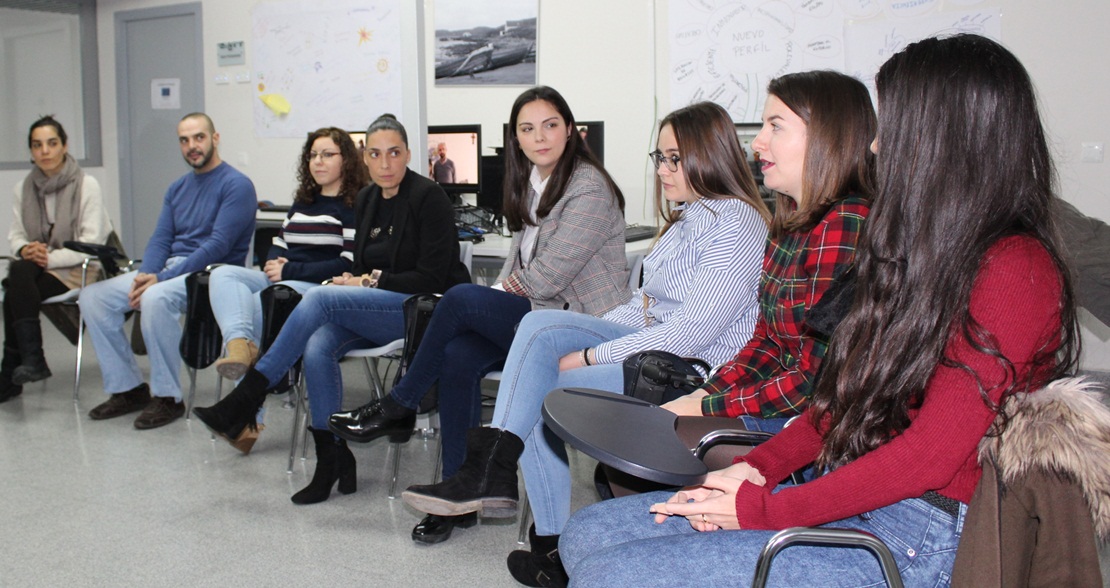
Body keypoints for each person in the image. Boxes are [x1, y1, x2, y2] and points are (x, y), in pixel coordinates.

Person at [560, 34, 1079, 588]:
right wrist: (757, 468)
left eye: (892, 127)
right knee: (585, 535)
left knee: (610, 573)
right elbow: (841, 402)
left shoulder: (1014, 269)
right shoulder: (919, 252)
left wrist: (765, 511)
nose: (877, 147)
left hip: (915, 534)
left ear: (944, 138)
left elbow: (929, 455)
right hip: (852, 488)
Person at [398, 101, 773, 581]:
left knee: (542, 389)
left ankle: (535, 522)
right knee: (537, 334)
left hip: (689, 369)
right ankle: (506, 483)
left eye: (674, 158)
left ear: (711, 155)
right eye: (659, 157)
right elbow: (641, 306)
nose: (662, 169)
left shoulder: (736, 222)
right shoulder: (685, 219)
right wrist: (595, 330)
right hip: (651, 346)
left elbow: (694, 331)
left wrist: (594, 352)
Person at [327, 86, 630, 544]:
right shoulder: (533, 183)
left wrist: (486, 298)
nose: (540, 137)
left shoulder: (588, 185)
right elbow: (518, 263)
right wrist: (492, 297)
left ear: (570, 130)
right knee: (459, 355)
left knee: (461, 297)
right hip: (538, 316)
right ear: (516, 139)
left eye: (550, 125)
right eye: (527, 129)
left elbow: (546, 277)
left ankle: (401, 403)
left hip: (581, 327)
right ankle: (458, 495)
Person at [192, 114, 471, 505]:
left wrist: (369, 282)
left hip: (422, 312)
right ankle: (332, 459)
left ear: (408, 154)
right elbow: (358, 265)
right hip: (381, 308)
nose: (386, 163)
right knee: (318, 343)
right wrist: (356, 280)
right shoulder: (369, 199)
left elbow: (432, 277)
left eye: (394, 153)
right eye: (375, 154)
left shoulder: (429, 197)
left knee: (317, 299)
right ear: (365, 158)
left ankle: (247, 397)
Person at [659, 70, 875, 432]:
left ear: (826, 137)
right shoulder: (789, 220)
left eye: (775, 126)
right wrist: (703, 395)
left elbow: (817, 379)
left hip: (815, 423)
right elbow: (766, 342)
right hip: (781, 405)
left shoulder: (847, 223)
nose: (758, 143)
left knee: (660, 440)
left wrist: (710, 406)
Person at [79, 112, 256, 430]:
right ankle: (128, 389)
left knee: (156, 298)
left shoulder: (238, 186)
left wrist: (158, 280)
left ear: (215, 139)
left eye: (199, 137)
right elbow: (161, 238)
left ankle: (168, 398)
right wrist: (143, 276)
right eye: (184, 140)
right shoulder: (177, 189)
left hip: (212, 276)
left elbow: (217, 246)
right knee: (93, 297)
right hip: (170, 272)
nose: (192, 146)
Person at [204, 128, 366, 453]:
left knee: (256, 303)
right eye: (313, 155)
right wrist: (273, 265)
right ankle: (238, 344)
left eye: (327, 154)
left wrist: (288, 270)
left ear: (346, 159)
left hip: (313, 288)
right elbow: (277, 243)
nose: (317, 161)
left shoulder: (353, 205)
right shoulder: (303, 201)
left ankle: (248, 420)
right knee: (223, 276)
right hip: (280, 280)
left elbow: (346, 263)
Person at [1, 116, 112, 403]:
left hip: (79, 268)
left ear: (65, 146)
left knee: (17, 283)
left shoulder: (86, 185)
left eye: (51, 143)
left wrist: (44, 257)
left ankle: (14, 368)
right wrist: (26, 250)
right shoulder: (23, 189)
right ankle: (31, 359)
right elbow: (16, 236)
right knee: (19, 269)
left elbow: (91, 244)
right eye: (37, 146)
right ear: (31, 151)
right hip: (38, 269)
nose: (45, 151)